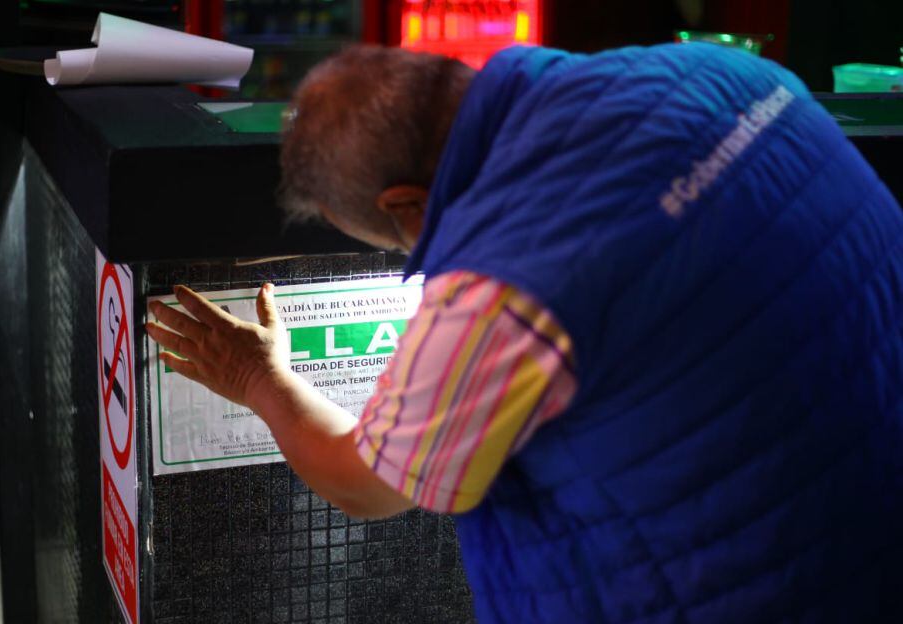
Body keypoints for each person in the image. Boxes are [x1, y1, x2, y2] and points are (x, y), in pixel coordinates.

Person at [147, 43, 903, 622]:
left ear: (408, 206)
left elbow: (365, 484)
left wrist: (260, 380)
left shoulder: (501, 293)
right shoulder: (726, 74)